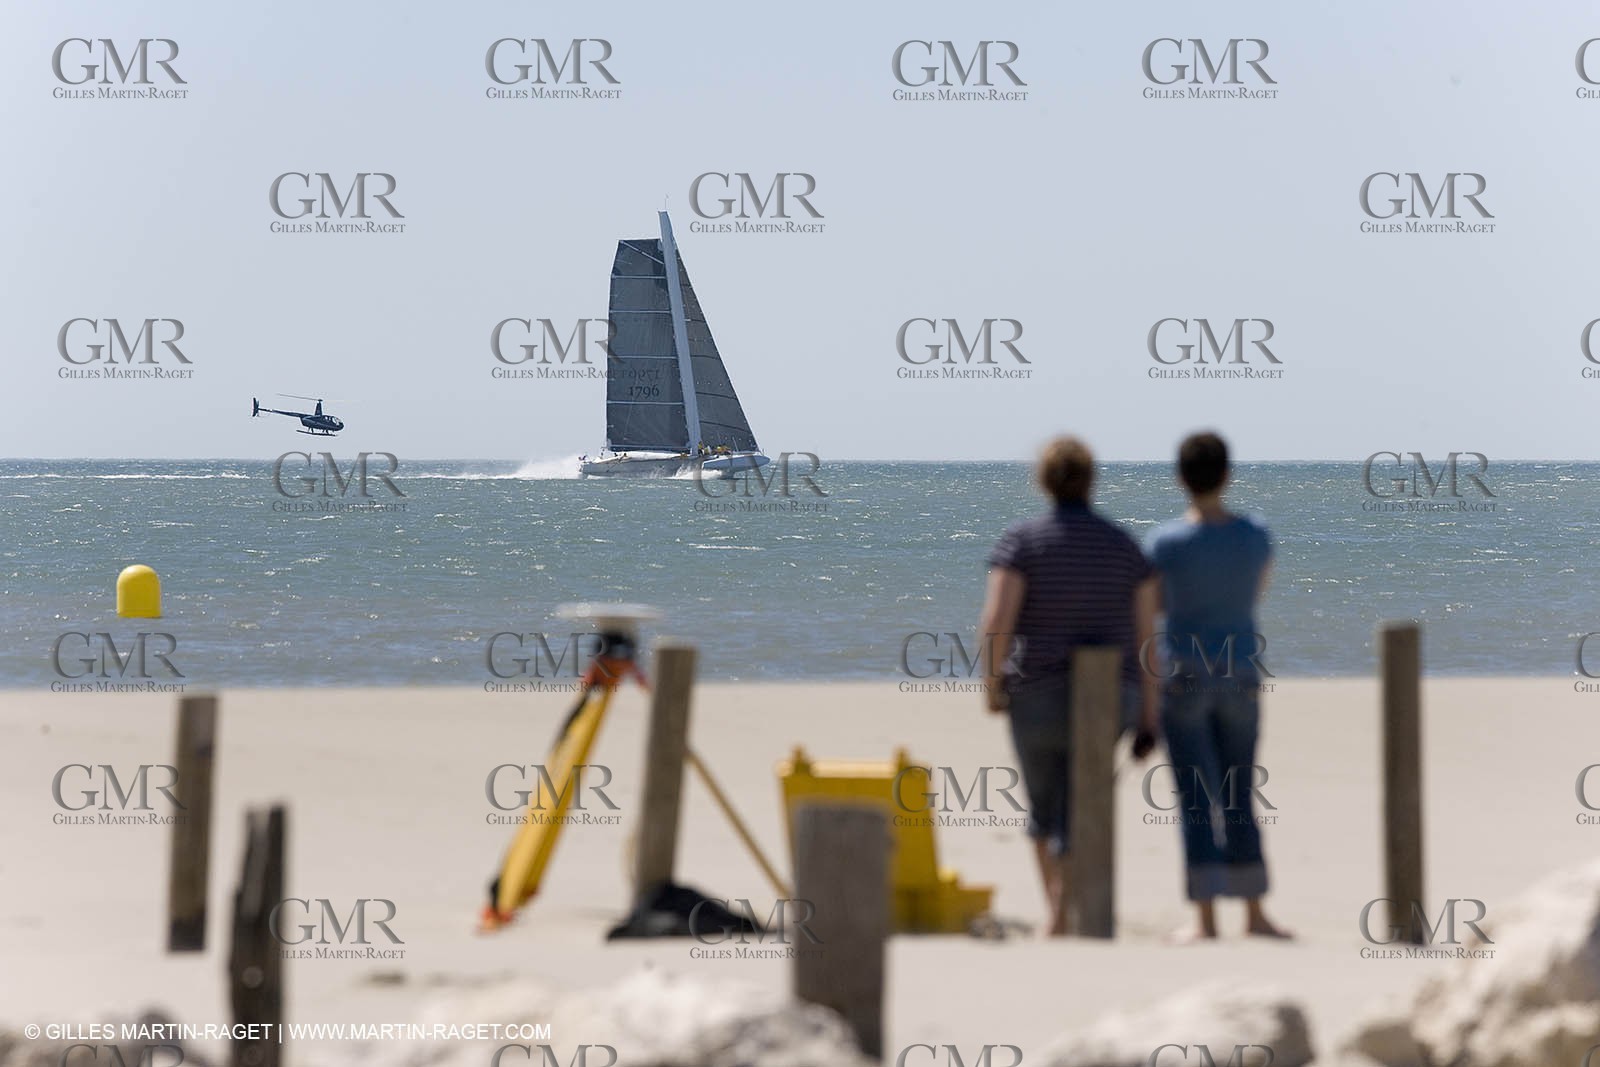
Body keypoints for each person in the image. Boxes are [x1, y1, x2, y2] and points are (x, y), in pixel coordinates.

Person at [980, 436, 1159, 936]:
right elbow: (1148, 638)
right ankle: (1073, 906)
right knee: (1084, 799)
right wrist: (1149, 714)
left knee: (1043, 806)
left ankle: (1057, 912)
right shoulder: (1124, 546)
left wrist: (991, 685)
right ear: (1091, 481)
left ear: (1043, 482)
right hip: (1113, 696)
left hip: (1037, 691)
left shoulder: (1022, 543)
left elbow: (997, 623)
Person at [1146, 431, 1289, 941]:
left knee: (1194, 797)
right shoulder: (1254, 535)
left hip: (1185, 670)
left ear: (1180, 479)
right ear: (1227, 475)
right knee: (1238, 792)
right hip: (1240, 669)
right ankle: (1254, 912)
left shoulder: (1165, 543)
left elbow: (1154, 605)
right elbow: (1257, 590)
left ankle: (1205, 918)